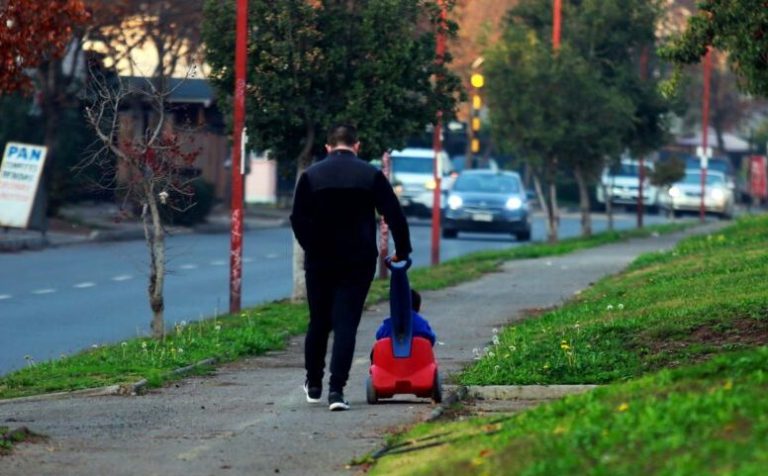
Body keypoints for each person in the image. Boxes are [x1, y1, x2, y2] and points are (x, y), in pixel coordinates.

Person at [290, 124, 412, 411]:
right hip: (358, 260)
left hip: (320, 260)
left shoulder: (311, 175)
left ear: (328, 147)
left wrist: (312, 246)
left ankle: (314, 383)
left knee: (319, 321)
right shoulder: (370, 175)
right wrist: (402, 251)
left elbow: (298, 218)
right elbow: (394, 214)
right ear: (357, 145)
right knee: (346, 323)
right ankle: (336, 391)